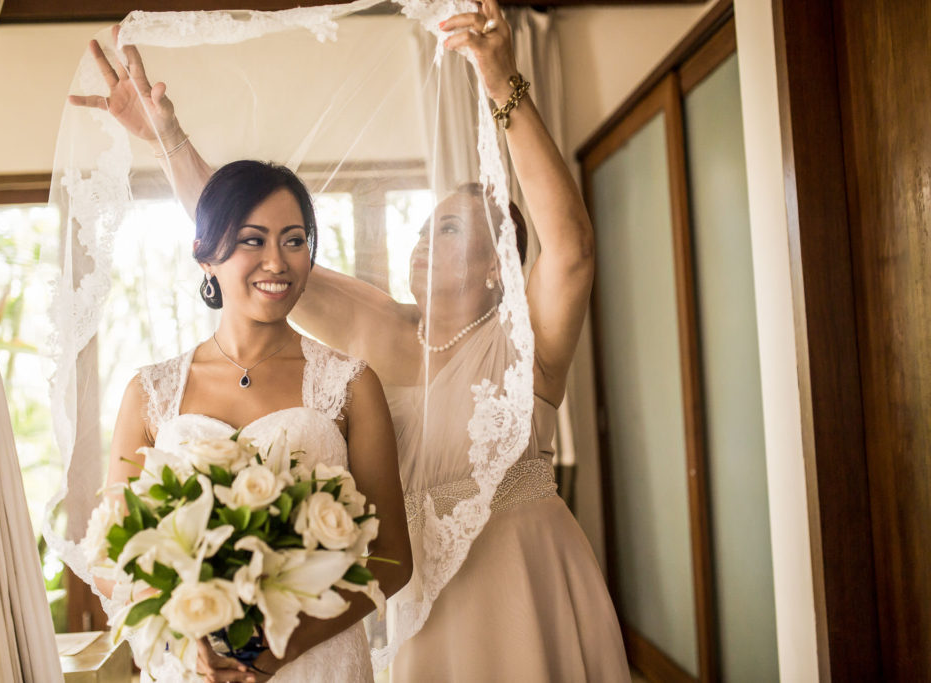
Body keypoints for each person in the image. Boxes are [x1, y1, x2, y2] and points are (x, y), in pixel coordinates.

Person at [75, 1, 629, 679]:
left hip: (528, 582)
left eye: (451, 229)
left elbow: (571, 246)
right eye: (425, 226)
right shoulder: (380, 331)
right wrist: (165, 136)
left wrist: (499, 80)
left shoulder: (526, 344)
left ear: (498, 266)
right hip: (425, 605)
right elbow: (249, 247)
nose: (425, 240)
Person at [104, 160, 412, 683]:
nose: (277, 261)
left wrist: (282, 646)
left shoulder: (352, 385)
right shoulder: (150, 392)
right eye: (253, 240)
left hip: (319, 660)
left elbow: (392, 559)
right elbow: (115, 555)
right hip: (198, 667)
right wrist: (186, 638)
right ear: (206, 255)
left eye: (294, 240)